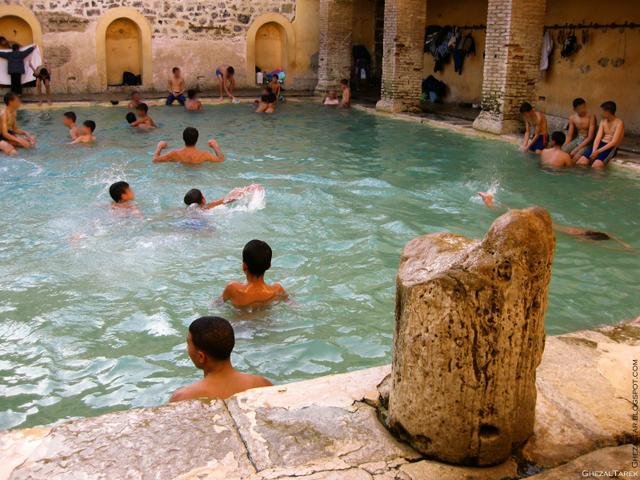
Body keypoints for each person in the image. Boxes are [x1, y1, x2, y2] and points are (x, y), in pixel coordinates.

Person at [169, 316, 272, 402]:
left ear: (201, 357)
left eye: (188, 343)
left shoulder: (183, 397)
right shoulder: (262, 384)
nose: (187, 348)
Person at [477, 192, 631, 249]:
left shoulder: (582, 231)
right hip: (547, 226)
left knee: (515, 214)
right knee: (514, 216)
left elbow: (608, 234)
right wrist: (622, 248)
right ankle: (490, 202)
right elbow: (606, 241)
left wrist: (624, 244)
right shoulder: (579, 237)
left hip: (548, 222)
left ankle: (491, 201)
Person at [222, 239, 288, 308]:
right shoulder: (277, 290)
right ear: (269, 266)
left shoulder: (233, 288)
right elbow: (291, 303)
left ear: (244, 266)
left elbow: (217, 304)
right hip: (267, 319)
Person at [576, 101, 625, 169]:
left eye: (602, 111)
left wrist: (598, 152)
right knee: (581, 162)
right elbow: (598, 137)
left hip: (610, 147)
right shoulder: (603, 121)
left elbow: (614, 142)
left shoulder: (619, 123)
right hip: (600, 144)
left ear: (608, 112)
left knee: (596, 166)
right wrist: (594, 151)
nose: (601, 113)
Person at [153, 127, 225, 164]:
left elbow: (155, 160)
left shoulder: (174, 153)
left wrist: (159, 146)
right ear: (197, 139)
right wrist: (215, 146)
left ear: (183, 138)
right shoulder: (204, 155)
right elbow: (221, 160)